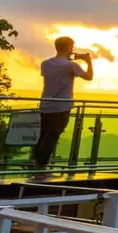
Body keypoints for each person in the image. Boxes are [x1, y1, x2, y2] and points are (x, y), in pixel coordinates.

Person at [33, 36, 93, 172]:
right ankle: (40, 167)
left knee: (43, 135)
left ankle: (37, 164)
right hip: (62, 106)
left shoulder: (46, 63)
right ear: (69, 48)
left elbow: (58, 70)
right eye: (72, 47)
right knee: (52, 136)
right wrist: (88, 61)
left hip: (46, 104)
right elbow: (89, 77)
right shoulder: (71, 65)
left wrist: (71, 58)